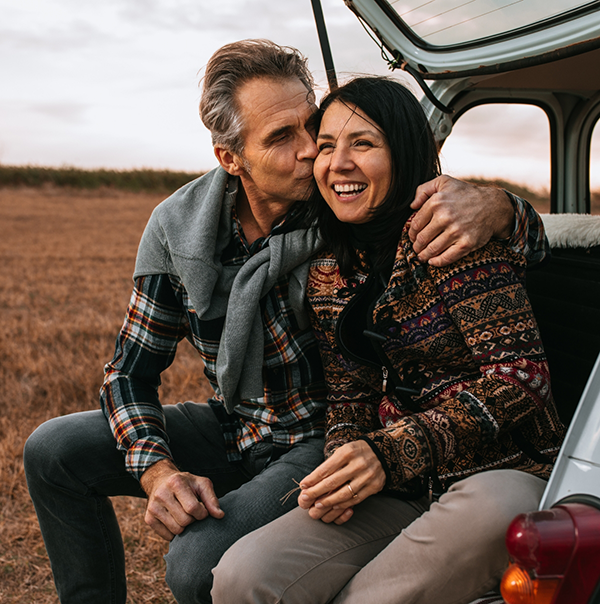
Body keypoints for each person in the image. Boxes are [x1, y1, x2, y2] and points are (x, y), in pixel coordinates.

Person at [23, 41, 548, 604]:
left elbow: (442, 218)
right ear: (230, 157)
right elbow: (129, 372)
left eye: (312, 128)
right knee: (52, 450)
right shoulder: (179, 228)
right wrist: (157, 472)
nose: (313, 155)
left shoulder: (345, 207)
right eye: (284, 138)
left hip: (315, 436)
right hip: (240, 421)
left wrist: (501, 206)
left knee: (196, 564)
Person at [211, 77, 565, 604]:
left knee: (474, 526)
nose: (338, 163)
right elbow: (349, 393)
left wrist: (391, 452)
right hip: (399, 487)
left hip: (502, 476)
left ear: (404, 151)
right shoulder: (329, 269)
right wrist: (346, 464)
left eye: (364, 143)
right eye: (326, 146)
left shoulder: (454, 233)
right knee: (244, 576)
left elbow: (521, 380)